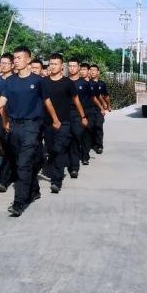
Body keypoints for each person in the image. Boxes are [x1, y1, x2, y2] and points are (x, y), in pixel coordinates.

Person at [0, 46, 60, 216]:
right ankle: (34, 190)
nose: (16, 60)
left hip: (32, 126)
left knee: (23, 165)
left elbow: (47, 102)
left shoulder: (38, 81)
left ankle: (19, 202)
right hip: (14, 127)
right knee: (21, 162)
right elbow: (3, 99)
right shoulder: (10, 81)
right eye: (15, 58)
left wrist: (55, 119)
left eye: (19, 58)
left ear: (28, 60)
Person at [43, 53, 88, 193]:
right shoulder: (43, 82)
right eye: (51, 63)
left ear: (61, 66)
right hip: (48, 123)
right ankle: (54, 167)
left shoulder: (68, 83)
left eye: (55, 64)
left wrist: (83, 116)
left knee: (59, 149)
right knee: (51, 149)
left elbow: (76, 101)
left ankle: (57, 181)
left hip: (64, 122)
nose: (53, 66)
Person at [0, 53, 17, 192]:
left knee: (11, 149)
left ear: (12, 65)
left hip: (13, 119)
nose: (2, 65)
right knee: (8, 149)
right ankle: (5, 177)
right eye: (1, 63)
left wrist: (7, 120)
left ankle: (4, 179)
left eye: (5, 63)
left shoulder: (16, 80)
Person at [89, 64, 108, 154]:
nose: (92, 72)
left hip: (99, 108)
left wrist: (106, 105)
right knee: (90, 126)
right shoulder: (87, 83)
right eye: (91, 70)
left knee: (98, 125)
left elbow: (104, 95)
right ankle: (91, 144)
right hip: (89, 108)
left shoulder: (101, 84)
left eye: (94, 70)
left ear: (98, 72)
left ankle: (99, 145)